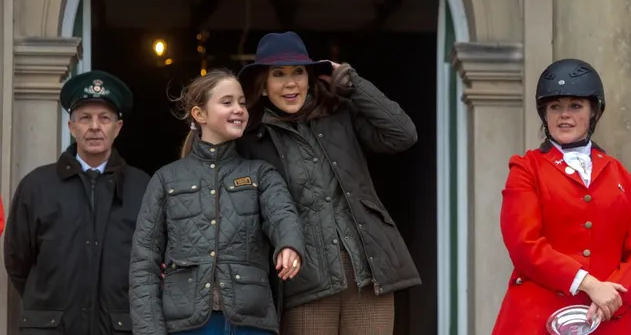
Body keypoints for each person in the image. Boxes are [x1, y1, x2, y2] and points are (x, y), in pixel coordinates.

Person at [236, 31, 421, 335]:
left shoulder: (340, 115)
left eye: (298, 72)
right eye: (278, 74)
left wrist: (353, 83)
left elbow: (403, 135)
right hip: (303, 283)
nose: (291, 82)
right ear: (264, 87)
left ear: (310, 77)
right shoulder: (251, 141)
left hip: (368, 273)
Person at [129, 68, 306, 335]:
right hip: (186, 324)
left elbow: (282, 213)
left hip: (250, 322)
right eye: (227, 102)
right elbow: (144, 262)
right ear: (199, 115)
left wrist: (289, 245)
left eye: (242, 102)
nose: (238, 109)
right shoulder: (165, 179)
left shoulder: (261, 174)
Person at [492, 58, 631, 334]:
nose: (564, 115)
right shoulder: (525, 169)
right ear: (545, 114)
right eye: (556, 107)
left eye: (575, 106)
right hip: (537, 319)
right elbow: (524, 245)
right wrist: (589, 284)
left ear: (594, 111)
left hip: (606, 320)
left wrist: (612, 299)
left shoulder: (621, 176)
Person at [3, 70, 150, 335]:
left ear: (117, 128)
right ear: (71, 127)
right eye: (85, 118)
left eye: (104, 118)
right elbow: (17, 262)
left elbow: (152, 264)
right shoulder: (37, 186)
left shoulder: (143, 188)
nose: (95, 126)